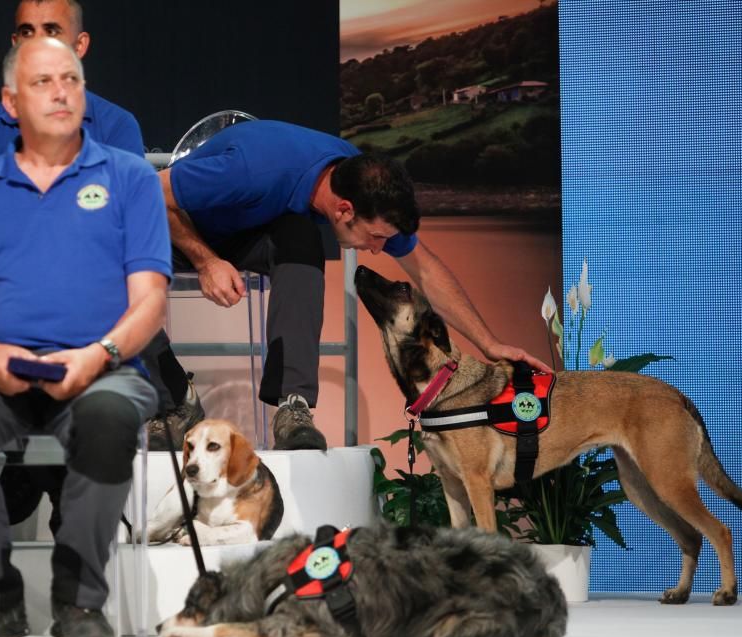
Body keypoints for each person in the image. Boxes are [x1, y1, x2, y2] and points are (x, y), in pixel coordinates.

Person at [0, 37, 170, 637]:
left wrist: (98, 355)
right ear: (10, 102)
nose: (61, 92)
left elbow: (150, 303)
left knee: (111, 416)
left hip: (100, 364)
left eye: (72, 80)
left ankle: (79, 598)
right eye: (43, 82)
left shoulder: (130, 177)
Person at [158, 120, 551, 449]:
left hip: (249, 233)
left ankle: (292, 406)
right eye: (376, 237)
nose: (378, 251)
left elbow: (425, 269)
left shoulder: (362, 183)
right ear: (344, 209)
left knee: (301, 236)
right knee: (102, 259)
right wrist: (205, 260)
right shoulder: (253, 169)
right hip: (181, 226)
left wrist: (489, 343)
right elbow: (149, 192)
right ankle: (177, 399)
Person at [0, 0, 144, 175]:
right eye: (27, 32)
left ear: (80, 45)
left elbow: (132, 208)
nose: (38, 43)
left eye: (52, 31)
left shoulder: (117, 126)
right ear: (14, 45)